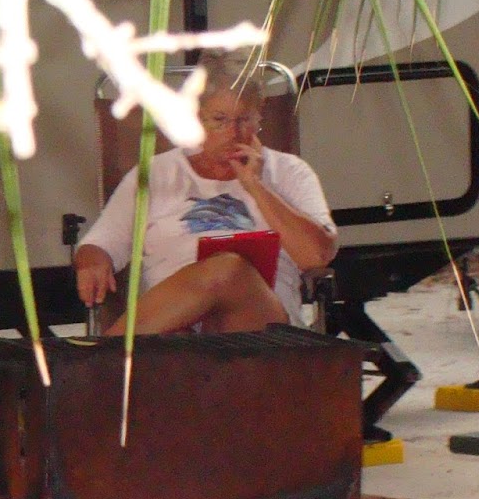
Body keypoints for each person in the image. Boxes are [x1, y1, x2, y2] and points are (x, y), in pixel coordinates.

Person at [73, 53, 338, 335]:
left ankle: (103, 358)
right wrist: (92, 262)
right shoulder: (157, 174)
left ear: (260, 114)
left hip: (259, 330)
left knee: (228, 270)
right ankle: (111, 359)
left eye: (245, 119)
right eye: (220, 120)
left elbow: (316, 256)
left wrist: (256, 187)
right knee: (182, 334)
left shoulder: (288, 172)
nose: (234, 133)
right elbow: (99, 245)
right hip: (174, 330)